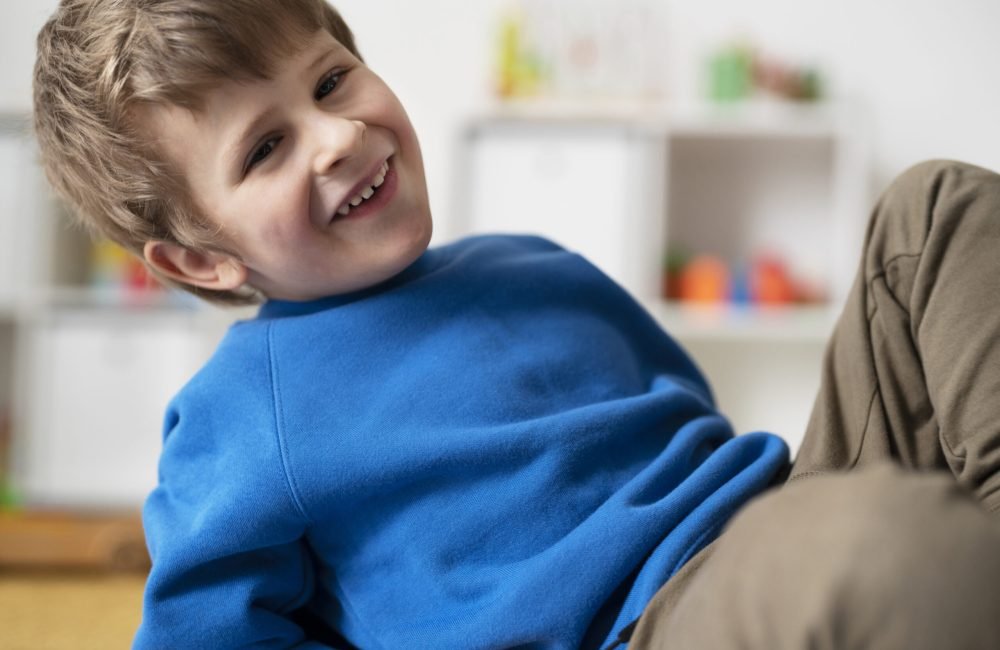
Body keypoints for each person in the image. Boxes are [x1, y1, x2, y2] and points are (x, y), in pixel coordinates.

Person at [31, 1, 1000, 649]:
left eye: (329, 82)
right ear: (201, 261)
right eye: (266, 148)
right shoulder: (246, 411)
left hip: (775, 524)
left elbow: (686, 420)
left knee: (936, 207)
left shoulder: (531, 263)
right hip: (649, 626)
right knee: (885, 544)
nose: (338, 136)